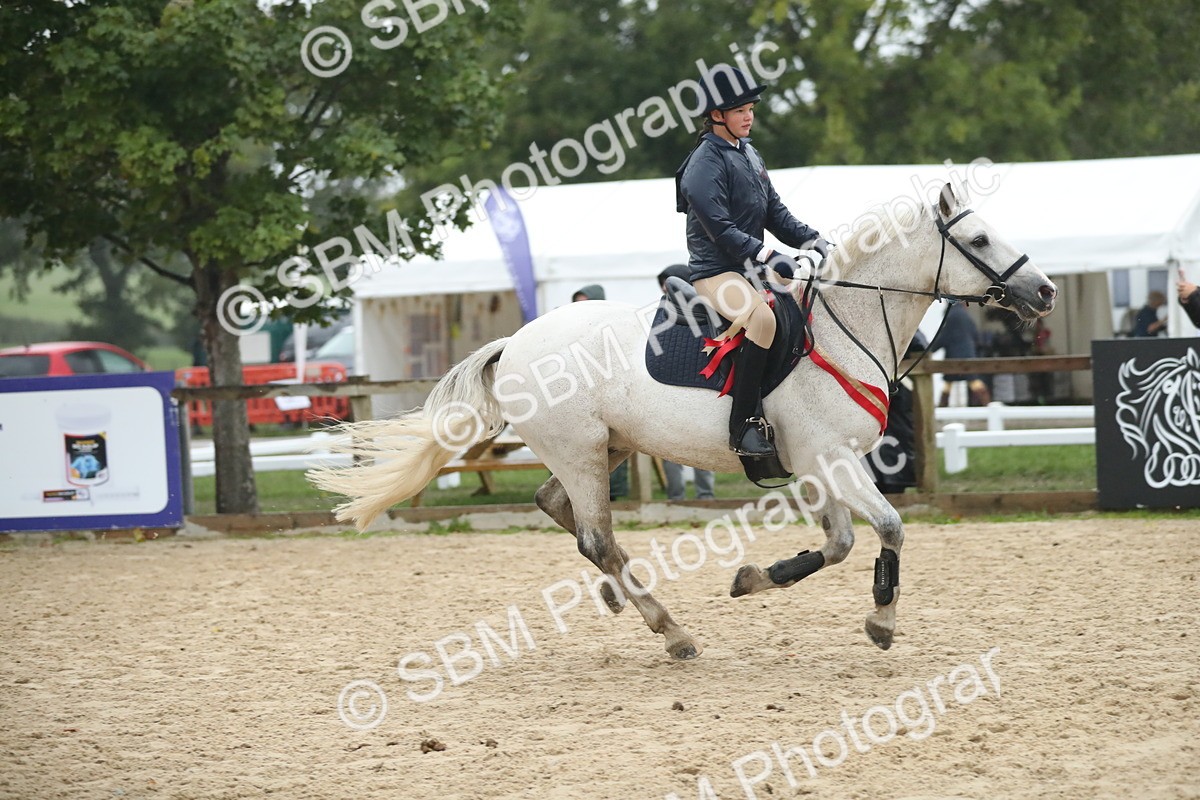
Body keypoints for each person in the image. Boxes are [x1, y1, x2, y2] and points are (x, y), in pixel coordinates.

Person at [675, 64, 827, 460]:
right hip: (715, 272)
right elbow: (721, 229)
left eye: (751, 108)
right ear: (716, 116)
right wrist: (769, 255)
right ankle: (742, 425)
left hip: (749, 270)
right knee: (762, 320)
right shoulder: (703, 163)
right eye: (740, 110)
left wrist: (810, 238)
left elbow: (775, 212)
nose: (749, 116)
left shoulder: (749, 153)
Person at [656, 264, 716, 501]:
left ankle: (705, 497)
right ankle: (676, 498)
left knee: (704, 450)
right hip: (669, 393)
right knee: (669, 450)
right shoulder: (664, 315)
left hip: (699, 392)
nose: (663, 288)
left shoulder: (705, 316)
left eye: (667, 282)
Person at [572, 284, 628, 499]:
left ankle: (614, 492)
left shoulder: (612, 330)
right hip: (578, 399)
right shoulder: (567, 333)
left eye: (585, 302)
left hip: (608, 398)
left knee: (613, 447)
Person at [932, 302, 990, 407]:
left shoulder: (951, 316)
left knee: (948, 384)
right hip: (968, 355)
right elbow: (976, 335)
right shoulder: (966, 316)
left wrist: (930, 349)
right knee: (974, 381)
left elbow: (944, 336)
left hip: (953, 357)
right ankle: (987, 406)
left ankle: (941, 408)